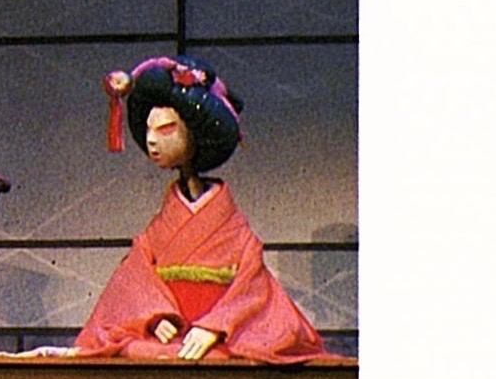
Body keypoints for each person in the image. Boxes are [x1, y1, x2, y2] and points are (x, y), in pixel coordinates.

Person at [66, 56, 324, 363]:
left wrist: (215, 326)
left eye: (165, 129)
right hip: (168, 334)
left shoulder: (233, 229)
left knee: (227, 356)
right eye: (148, 130)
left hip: (219, 336)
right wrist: (152, 315)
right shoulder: (160, 227)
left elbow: (252, 286)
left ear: (197, 133)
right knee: (137, 350)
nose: (151, 140)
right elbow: (134, 274)